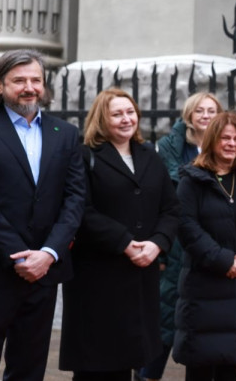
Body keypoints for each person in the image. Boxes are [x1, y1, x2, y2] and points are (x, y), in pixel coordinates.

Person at [59, 89, 180, 380]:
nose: (127, 119)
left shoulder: (149, 155)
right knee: (95, 365)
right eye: (117, 114)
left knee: (127, 360)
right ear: (102, 118)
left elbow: (171, 208)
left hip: (140, 274)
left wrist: (157, 243)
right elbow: (80, 210)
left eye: (130, 112)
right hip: (97, 276)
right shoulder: (85, 155)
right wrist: (124, 241)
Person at [0, 49, 85, 381]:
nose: (29, 87)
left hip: (43, 275)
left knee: (29, 370)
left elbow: (75, 198)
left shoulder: (66, 134)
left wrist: (48, 253)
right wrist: (16, 255)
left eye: (36, 80)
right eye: (19, 80)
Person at [173, 112, 236, 381]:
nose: (231, 144)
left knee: (233, 364)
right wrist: (223, 260)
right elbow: (187, 227)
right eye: (224, 138)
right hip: (207, 289)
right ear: (211, 141)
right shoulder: (192, 180)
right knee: (203, 367)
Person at [137, 91, 222, 381]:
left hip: (213, 244)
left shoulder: (226, 146)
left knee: (202, 321)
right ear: (189, 115)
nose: (206, 116)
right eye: (200, 110)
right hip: (175, 246)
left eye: (212, 110)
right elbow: (158, 198)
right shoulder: (170, 147)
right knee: (165, 316)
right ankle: (148, 375)